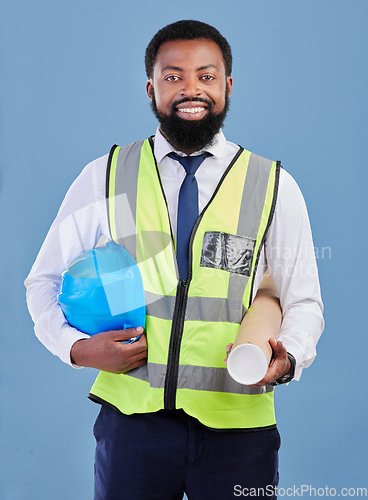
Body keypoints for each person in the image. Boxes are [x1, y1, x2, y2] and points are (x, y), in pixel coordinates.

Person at [25, 20, 324, 500]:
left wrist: (287, 358)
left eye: (206, 76)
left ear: (227, 86)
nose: (191, 89)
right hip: (132, 427)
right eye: (173, 76)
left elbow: (303, 299)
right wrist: (76, 349)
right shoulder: (107, 175)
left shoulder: (270, 184)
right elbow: (42, 280)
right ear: (151, 87)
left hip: (238, 427)